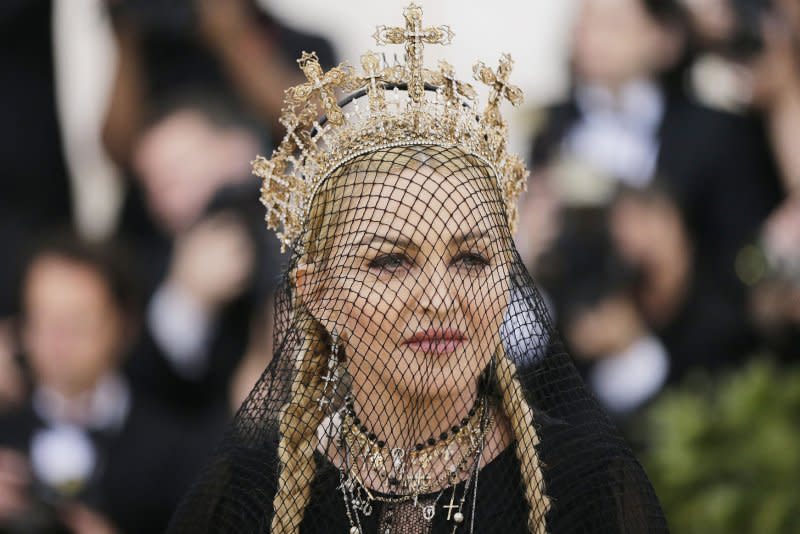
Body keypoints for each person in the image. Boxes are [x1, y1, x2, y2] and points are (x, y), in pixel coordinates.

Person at [168, 5, 667, 533]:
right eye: (390, 261)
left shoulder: (587, 486)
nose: (439, 296)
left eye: (472, 258)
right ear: (318, 294)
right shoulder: (247, 499)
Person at [0, 235, 210, 534]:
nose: (56, 342)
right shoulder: (5, 430)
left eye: (77, 324)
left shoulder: (175, 453)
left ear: (125, 326)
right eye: (42, 320)